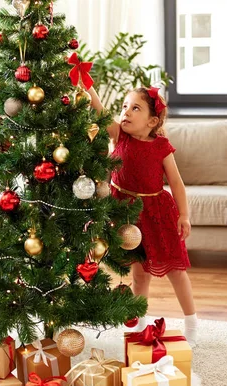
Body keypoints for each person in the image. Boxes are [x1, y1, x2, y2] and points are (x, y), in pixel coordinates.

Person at [86, 85, 198, 345]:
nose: (126, 112)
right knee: (139, 274)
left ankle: (191, 322)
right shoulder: (119, 137)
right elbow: (99, 109)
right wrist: (88, 85)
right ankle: (141, 322)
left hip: (157, 214)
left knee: (176, 271)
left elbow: (177, 183)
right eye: (125, 106)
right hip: (127, 216)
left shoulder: (161, 147)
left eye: (135, 108)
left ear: (152, 121)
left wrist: (184, 215)